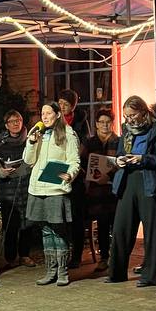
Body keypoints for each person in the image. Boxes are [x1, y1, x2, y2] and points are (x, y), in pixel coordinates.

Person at [23, 101, 81, 288]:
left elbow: (74, 160)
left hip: (56, 188)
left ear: (57, 114)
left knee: (58, 230)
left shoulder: (68, 132)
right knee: (46, 230)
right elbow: (28, 160)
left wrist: (70, 174)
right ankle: (50, 271)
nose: (45, 116)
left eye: (48, 113)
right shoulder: (36, 133)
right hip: (37, 188)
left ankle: (63, 271)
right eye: (42, 113)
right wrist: (31, 143)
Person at [106, 96, 156, 287]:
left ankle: (151, 275)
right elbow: (121, 152)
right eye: (126, 116)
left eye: (133, 115)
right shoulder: (126, 130)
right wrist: (120, 160)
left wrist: (142, 159)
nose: (129, 120)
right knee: (121, 227)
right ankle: (116, 272)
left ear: (143, 112)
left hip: (147, 180)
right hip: (127, 179)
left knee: (152, 230)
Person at [0, 109, 34, 268]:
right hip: (8, 188)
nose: (16, 124)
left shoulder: (30, 140)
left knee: (27, 223)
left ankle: (25, 255)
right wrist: (0, 172)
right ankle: (10, 257)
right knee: (11, 224)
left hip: (26, 185)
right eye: (12, 121)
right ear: (6, 125)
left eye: (18, 120)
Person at [81, 109, 119, 271]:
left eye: (108, 122)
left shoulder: (119, 141)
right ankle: (104, 258)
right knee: (102, 224)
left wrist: (109, 177)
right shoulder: (89, 143)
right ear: (96, 124)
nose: (105, 125)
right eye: (101, 122)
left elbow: (121, 162)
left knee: (116, 225)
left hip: (115, 190)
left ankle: (117, 257)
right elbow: (82, 162)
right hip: (96, 192)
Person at [57, 88, 89, 265]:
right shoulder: (54, 120)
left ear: (73, 106)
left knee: (76, 215)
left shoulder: (80, 121)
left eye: (66, 104)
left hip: (76, 172)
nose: (62, 107)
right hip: (58, 170)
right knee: (61, 215)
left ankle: (76, 255)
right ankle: (62, 253)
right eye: (60, 103)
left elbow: (84, 144)